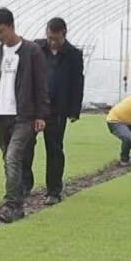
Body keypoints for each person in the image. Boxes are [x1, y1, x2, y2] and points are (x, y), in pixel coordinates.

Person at [0, 8, 49, 223]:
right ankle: (18, 199)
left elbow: (41, 85)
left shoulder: (32, 51)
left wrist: (41, 114)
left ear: (11, 26)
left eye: (1, 31)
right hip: (2, 116)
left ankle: (12, 206)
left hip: (24, 116)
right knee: (9, 159)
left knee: (12, 158)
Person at [24, 17, 84, 206]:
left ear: (64, 34)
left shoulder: (73, 54)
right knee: (26, 146)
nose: (52, 42)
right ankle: (25, 186)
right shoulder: (36, 48)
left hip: (57, 109)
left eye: (56, 38)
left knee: (55, 149)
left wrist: (74, 109)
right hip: (34, 108)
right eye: (49, 37)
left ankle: (54, 190)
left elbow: (77, 83)